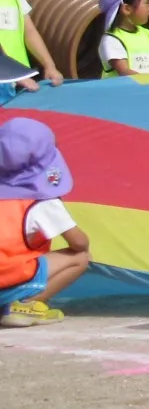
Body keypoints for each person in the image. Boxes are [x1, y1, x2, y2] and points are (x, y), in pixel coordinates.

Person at [0, 118, 91, 327]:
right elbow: (79, 243)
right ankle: (24, 304)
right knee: (80, 257)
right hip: (9, 278)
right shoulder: (41, 202)